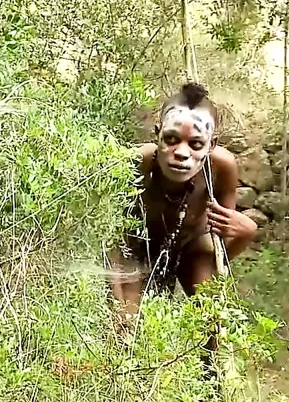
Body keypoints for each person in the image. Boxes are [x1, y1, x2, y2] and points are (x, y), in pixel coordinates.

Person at [107, 81, 259, 379]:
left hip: (191, 249)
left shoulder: (222, 168)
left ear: (212, 145)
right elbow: (113, 236)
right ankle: (125, 387)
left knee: (212, 320)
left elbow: (219, 258)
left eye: (196, 144)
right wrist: (116, 299)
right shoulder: (138, 163)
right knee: (124, 327)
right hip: (137, 247)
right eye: (171, 139)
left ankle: (213, 389)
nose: (181, 153)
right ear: (157, 135)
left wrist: (243, 234)